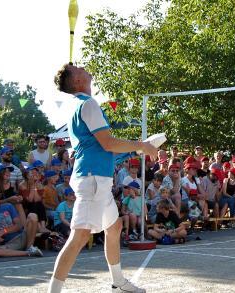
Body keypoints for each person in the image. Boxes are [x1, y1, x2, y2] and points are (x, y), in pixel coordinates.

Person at [48, 64, 158, 293]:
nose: (84, 67)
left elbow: (102, 148)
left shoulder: (79, 106)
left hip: (96, 178)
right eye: (77, 68)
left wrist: (138, 149)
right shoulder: (88, 104)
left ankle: (118, 282)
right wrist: (141, 145)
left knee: (114, 226)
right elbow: (108, 143)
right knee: (78, 237)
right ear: (76, 81)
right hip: (93, 179)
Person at [0, 188, 43, 257]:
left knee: (32, 216)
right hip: (8, 243)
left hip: (21, 236)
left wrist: (3, 231)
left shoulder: (8, 206)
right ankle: (29, 253)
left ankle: (30, 247)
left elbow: (19, 225)